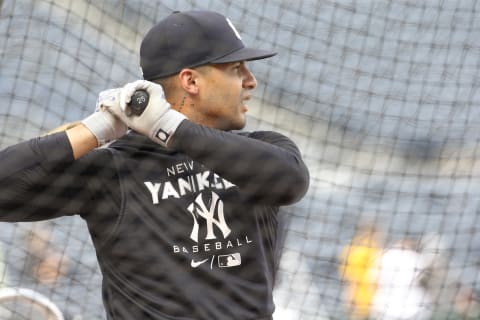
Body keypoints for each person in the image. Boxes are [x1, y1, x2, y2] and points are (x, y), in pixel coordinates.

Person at [0, 10, 310, 320]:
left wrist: (167, 125)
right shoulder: (114, 168)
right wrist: (97, 128)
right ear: (190, 81)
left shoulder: (265, 148)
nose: (250, 81)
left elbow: (291, 182)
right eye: (235, 68)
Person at [338, 222, 383, 319]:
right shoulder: (364, 251)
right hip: (363, 297)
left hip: (367, 296)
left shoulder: (352, 248)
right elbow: (351, 278)